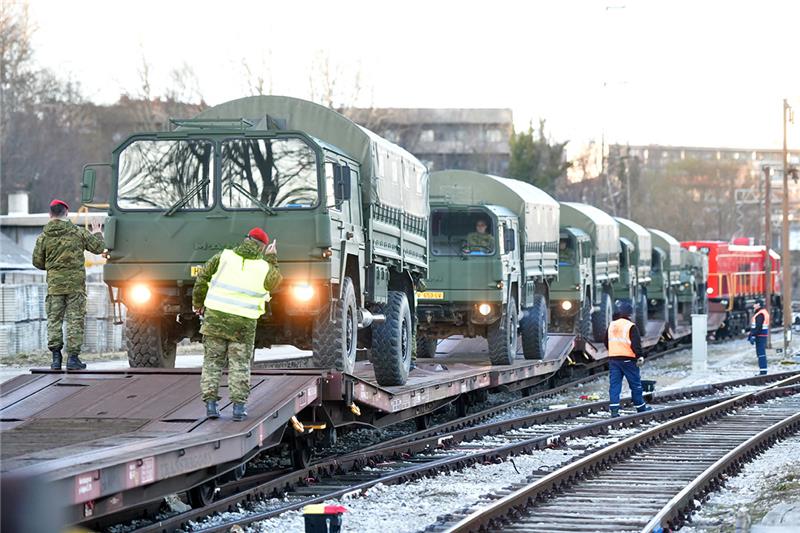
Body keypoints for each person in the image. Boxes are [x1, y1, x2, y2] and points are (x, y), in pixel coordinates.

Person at [192, 228, 282, 421]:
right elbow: (274, 283)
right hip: (243, 325)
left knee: (212, 363)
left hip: (215, 320)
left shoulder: (222, 257)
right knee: (239, 365)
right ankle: (239, 409)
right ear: (263, 247)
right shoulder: (264, 266)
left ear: (246, 240)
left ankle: (211, 406)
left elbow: (201, 279)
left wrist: (198, 304)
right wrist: (272, 258)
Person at [32, 199, 106, 370]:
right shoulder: (78, 233)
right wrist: (97, 233)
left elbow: (37, 262)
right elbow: (99, 248)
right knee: (75, 320)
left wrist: (53, 267)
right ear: (67, 213)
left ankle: (56, 359)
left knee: (54, 320)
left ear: (50, 215)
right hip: (75, 287)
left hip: (55, 286)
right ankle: (73, 359)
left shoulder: (43, 237)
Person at [604, 299, 652, 417]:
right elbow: (636, 344)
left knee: (615, 385)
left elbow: (606, 341)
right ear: (630, 314)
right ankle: (640, 408)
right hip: (628, 360)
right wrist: (639, 356)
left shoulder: (612, 325)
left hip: (613, 360)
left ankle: (614, 410)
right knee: (635, 384)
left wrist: (614, 350)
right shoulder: (631, 326)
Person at [748, 299, 769, 375]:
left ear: (759, 305)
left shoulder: (760, 314)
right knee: (761, 353)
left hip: (760, 336)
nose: (753, 305)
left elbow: (758, 327)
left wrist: (753, 335)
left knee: (761, 353)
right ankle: (763, 370)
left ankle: (763, 372)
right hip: (762, 335)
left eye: (755, 304)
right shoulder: (763, 312)